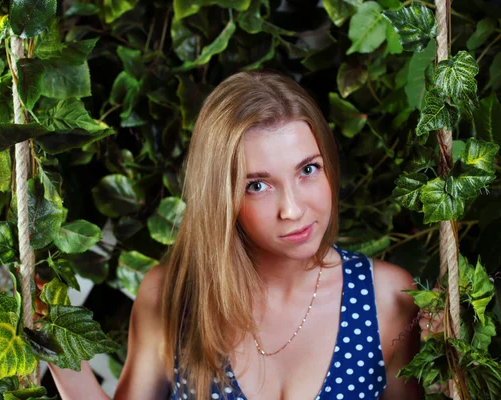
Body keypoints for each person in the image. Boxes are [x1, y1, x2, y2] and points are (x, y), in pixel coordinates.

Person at [46, 70, 424, 399]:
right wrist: (49, 334)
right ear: (221, 197)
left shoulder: (386, 298)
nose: (292, 209)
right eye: (258, 186)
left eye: (308, 170)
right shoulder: (173, 296)